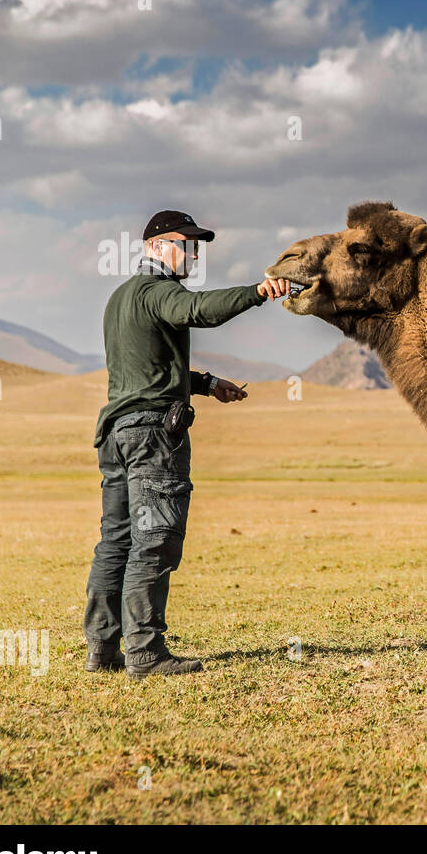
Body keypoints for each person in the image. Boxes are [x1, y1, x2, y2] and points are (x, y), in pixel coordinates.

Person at [84, 209, 290, 678]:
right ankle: (145, 653)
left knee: (115, 542)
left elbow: (149, 371)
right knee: (153, 541)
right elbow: (196, 311)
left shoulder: (122, 298)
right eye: (185, 243)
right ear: (156, 247)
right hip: (154, 436)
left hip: (117, 434)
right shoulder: (162, 292)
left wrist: (207, 382)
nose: (193, 253)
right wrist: (258, 293)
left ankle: (102, 648)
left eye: (197, 246)